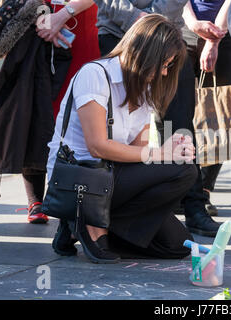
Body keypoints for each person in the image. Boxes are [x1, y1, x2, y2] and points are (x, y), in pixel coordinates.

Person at [49, 14, 198, 263]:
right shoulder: (95, 75)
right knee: (183, 169)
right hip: (80, 177)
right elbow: (97, 146)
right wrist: (162, 155)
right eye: (163, 63)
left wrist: (166, 149)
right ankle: (87, 221)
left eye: (168, 66)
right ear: (144, 53)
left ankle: (87, 221)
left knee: (179, 247)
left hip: (110, 175)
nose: (163, 72)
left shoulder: (145, 87)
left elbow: (136, 153)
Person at [92, 0, 221, 237]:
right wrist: (136, 19)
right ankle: (102, 209)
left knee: (179, 125)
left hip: (167, 37)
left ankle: (193, 207)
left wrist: (152, 23)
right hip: (117, 33)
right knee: (117, 124)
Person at [17, 0, 100, 224]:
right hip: (35, 28)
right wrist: (42, 17)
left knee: (82, 110)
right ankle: (35, 199)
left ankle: (77, 193)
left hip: (82, 31)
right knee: (34, 111)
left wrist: (63, 15)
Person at [182, 0, 231, 216]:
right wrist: (193, 23)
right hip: (182, 30)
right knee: (176, 110)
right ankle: (180, 188)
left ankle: (204, 190)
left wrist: (213, 40)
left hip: (224, 33)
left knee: (219, 113)